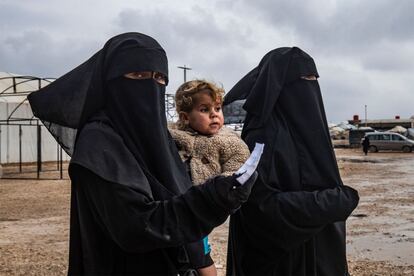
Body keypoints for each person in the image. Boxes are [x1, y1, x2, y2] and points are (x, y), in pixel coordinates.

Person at [27, 32, 257, 275]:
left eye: (159, 78)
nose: (151, 85)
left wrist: (200, 259)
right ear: (111, 80)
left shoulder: (158, 138)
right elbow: (137, 227)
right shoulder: (98, 141)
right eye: (138, 75)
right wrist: (211, 198)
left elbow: (178, 196)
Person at [223, 47, 360, 276]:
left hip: (320, 252)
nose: (310, 85)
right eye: (303, 79)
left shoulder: (308, 130)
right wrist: (332, 202)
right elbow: (259, 207)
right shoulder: (262, 135)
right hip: (282, 262)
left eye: (314, 79)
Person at [169, 80, 250, 275]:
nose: (214, 114)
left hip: (201, 208)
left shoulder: (227, 141)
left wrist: (226, 184)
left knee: (200, 256)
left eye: (217, 108)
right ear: (185, 117)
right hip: (174, 206)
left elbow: (238, 164)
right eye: (204, 110)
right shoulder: (173, 136)